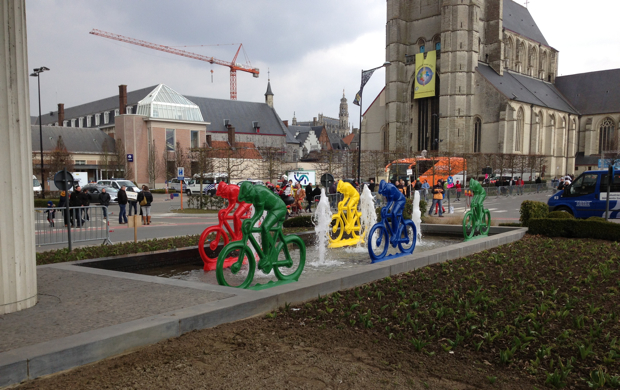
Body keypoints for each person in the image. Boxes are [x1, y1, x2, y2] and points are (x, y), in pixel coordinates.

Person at [238, 182, 288, 274]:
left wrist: (251, 222)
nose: (247, 200)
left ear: (250, 192)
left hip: (279, 208)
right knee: (264, 228)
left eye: (247, 197)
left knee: (265, 227)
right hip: (272, 209)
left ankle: (266, 256)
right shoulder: (254, 193)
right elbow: (256, 213)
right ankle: (269, 250)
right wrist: (250, 222)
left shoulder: (259, 193)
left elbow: (259, 213)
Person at [378, 180, 407, 245]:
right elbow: (388, 201)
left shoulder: (390, 188)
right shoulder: (386, 190)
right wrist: (385, 208)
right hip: (396, 200)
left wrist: (386, 208)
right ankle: (394, 232)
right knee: (391, 213)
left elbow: (390, 201)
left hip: (400, 200)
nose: (383, 194)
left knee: (394, 213)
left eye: (383, 192)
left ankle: (395, 233)